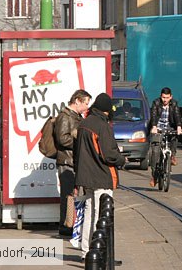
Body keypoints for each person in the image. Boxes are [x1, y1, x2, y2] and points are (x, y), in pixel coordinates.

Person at [74, 93, 125, 258]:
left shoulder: (83, 124)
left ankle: (86, 251)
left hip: (86, 176)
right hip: (101, 176)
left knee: (89, 213)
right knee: (101, 214)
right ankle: (99, 253)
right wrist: (122, 159)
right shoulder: (102, 126)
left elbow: (77, 153)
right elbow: (109, 154)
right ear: (107, 110)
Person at [54, 89, 91, 237]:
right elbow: (62, 139)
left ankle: (71, 224)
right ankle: (66, 226)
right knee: (68, 195)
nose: (87, 107)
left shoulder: (76, 116)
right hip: (67, 161)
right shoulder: (65, 116)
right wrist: (80, 141)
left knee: (72, 195)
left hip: (73, 160)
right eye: (86, 103)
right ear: (77, 101)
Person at [148, 87, 182, 186]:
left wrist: (179, 127)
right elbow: (153, 115)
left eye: (167, 98)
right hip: (158, 128)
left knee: (174, 137)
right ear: (161, 96)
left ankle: (172, 156)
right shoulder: (156, 103)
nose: (165, 100)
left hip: (169, 127)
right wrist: (154, 127)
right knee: (155, 152)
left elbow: (177, 115)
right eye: (163, 97)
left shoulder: (174, 104)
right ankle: (154, 176)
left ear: (171, 97)